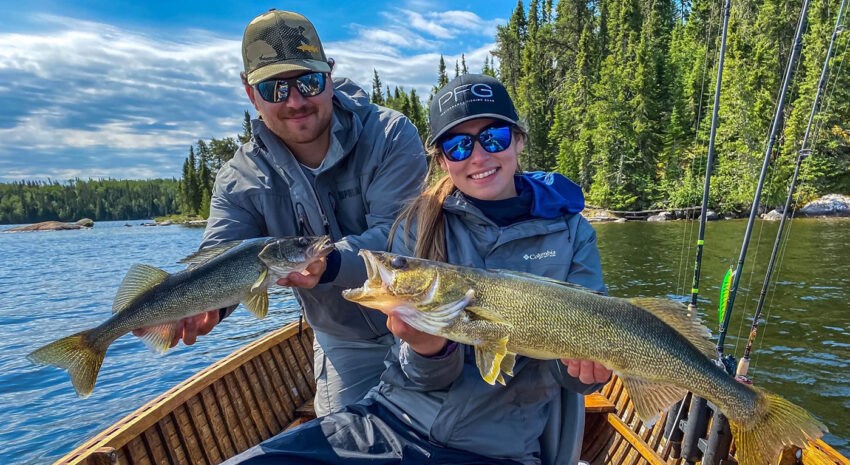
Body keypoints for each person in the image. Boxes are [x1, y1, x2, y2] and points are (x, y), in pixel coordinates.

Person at [223, 74, 612, 465]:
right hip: (392, 421)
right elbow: (421, 378)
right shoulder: (418, 224)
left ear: (519, 140)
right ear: (442, 160)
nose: (478, 156)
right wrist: (426, 348)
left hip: (496, 448)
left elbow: (578, 380)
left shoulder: (571, 232)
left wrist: (587, 371)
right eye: (458, 146)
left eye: (494, 137)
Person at [135, 9, 428, 417]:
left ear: (329, 74)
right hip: (343, 340)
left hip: (427, 317)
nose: (295, 102)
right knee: (346, 445)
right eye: (274, 88)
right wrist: (210, 308)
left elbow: (403, 241)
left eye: (308, 82)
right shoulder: (239, 179)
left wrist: (329, 265)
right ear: (249, 92)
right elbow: (220, 259)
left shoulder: (389, 134)